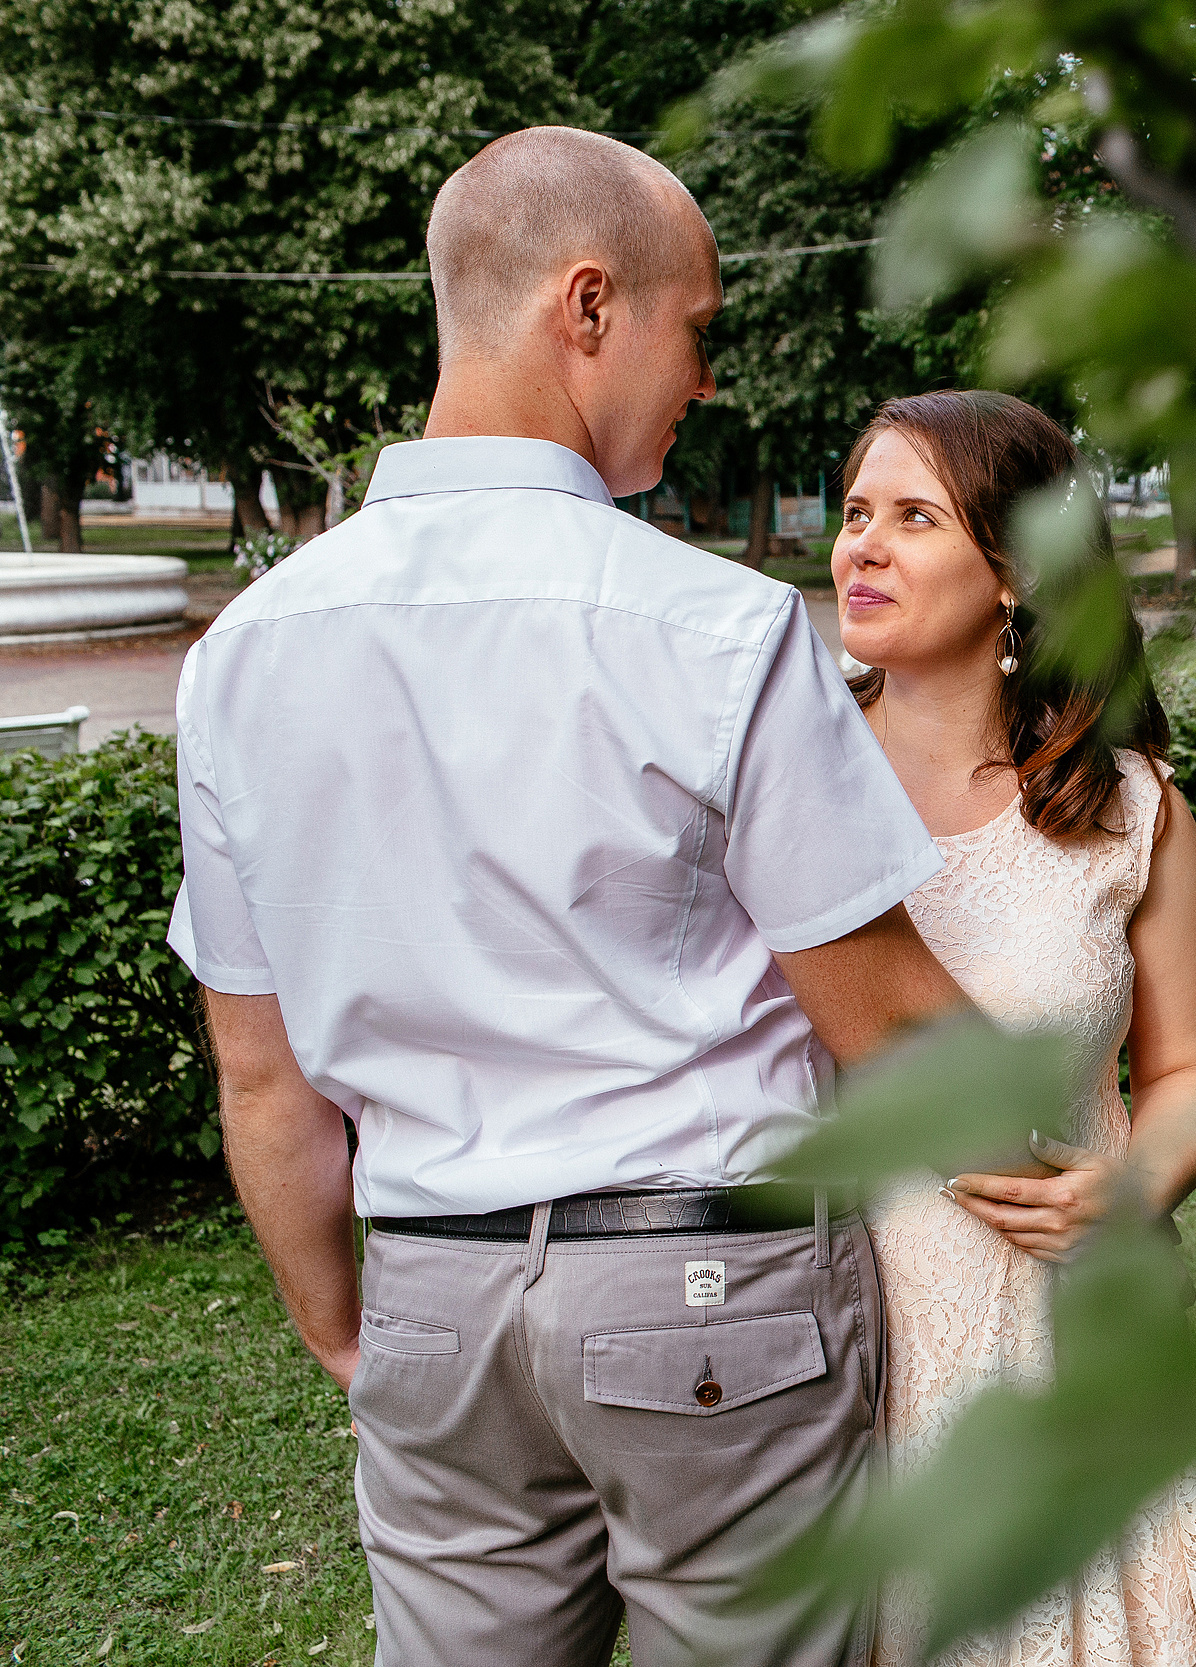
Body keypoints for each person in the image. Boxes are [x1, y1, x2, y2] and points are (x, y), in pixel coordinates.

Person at [169, 127, 964, 1666]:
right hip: (713, 1290)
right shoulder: (720, 629)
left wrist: (352, 1327)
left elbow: (262, 1078)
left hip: (428, 1295)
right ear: (589, 309)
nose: (706, 377)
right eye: (701, 326)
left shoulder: (242, 656)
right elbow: (896, 1029)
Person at [832, 390, 1196, 1667]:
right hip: (830, 1336)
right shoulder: (786, 778)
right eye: (855, 513)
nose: (862, 546)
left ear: (1015, 572)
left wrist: (1135, 1180)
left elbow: (1190, 1071)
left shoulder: (1130, 808)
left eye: (914, 515)